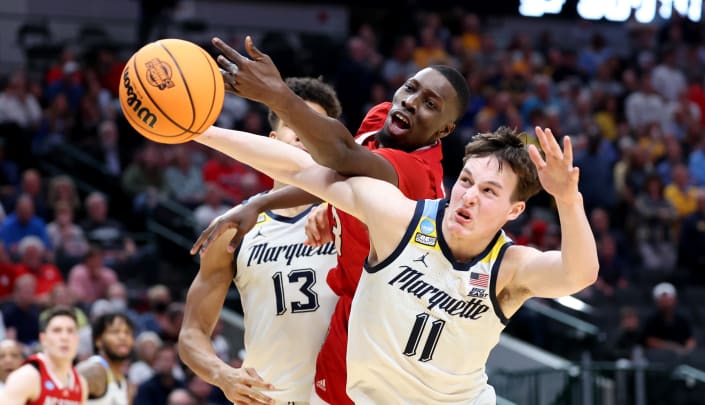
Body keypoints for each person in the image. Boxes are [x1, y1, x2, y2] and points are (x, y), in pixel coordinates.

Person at [191, 122, 598, 403]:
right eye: (468, 181)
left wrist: (568, 198)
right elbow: (299, 167)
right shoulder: (399, 220)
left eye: (490, 191)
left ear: (515, 211)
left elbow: (579, 273)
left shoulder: (509, 266)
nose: (470, 195)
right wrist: (199, 131)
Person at [193, 36, 469, 405]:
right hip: (348, 311)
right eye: (411, 88)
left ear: (443, 131)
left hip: (386, 331)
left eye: (430, 105)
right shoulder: (382, 118)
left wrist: (274, 95)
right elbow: (337, 177)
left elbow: (337, 156)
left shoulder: (419, 174)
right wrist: (265, 203)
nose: (410, 102)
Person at [179, 77, 342, 404]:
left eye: (313, 125)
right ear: (271, 139)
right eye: (292, 122)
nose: (302, 131)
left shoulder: (352, 215)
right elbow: (191, 333)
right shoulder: (232, 227)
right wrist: (221, 374)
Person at [0, 306, 88, 404]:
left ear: (77, 339)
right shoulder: (26, 377)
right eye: (57, 330)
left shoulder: (81, 384)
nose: (65, 337)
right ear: (43, 339)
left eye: (70, 331)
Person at [76, 312, 135, 405]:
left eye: (127, 332)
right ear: (98, 341)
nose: (122, 337)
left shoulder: (123, 382)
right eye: (115, 332)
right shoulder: (94, 370)